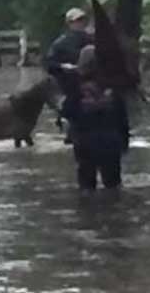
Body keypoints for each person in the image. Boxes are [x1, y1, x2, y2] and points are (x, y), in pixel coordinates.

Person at [61, 46, 129, 192]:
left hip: (85, 140)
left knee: (86, 187)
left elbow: (67, 112)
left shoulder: (75, 86)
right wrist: (125, 142)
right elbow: (122, 116)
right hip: (110, 139)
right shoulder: (113, 83)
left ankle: (89, 212)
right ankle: (115, 212)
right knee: (113, 185)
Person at [45, 8, 94, 143]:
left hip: (92, 83)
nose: (80, 23)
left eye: (82, 20)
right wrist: (63, 66)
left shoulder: (92, 40)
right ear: (70, 23)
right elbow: (49, 64)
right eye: (77, 21)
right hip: (70, 84)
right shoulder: (60, 43)